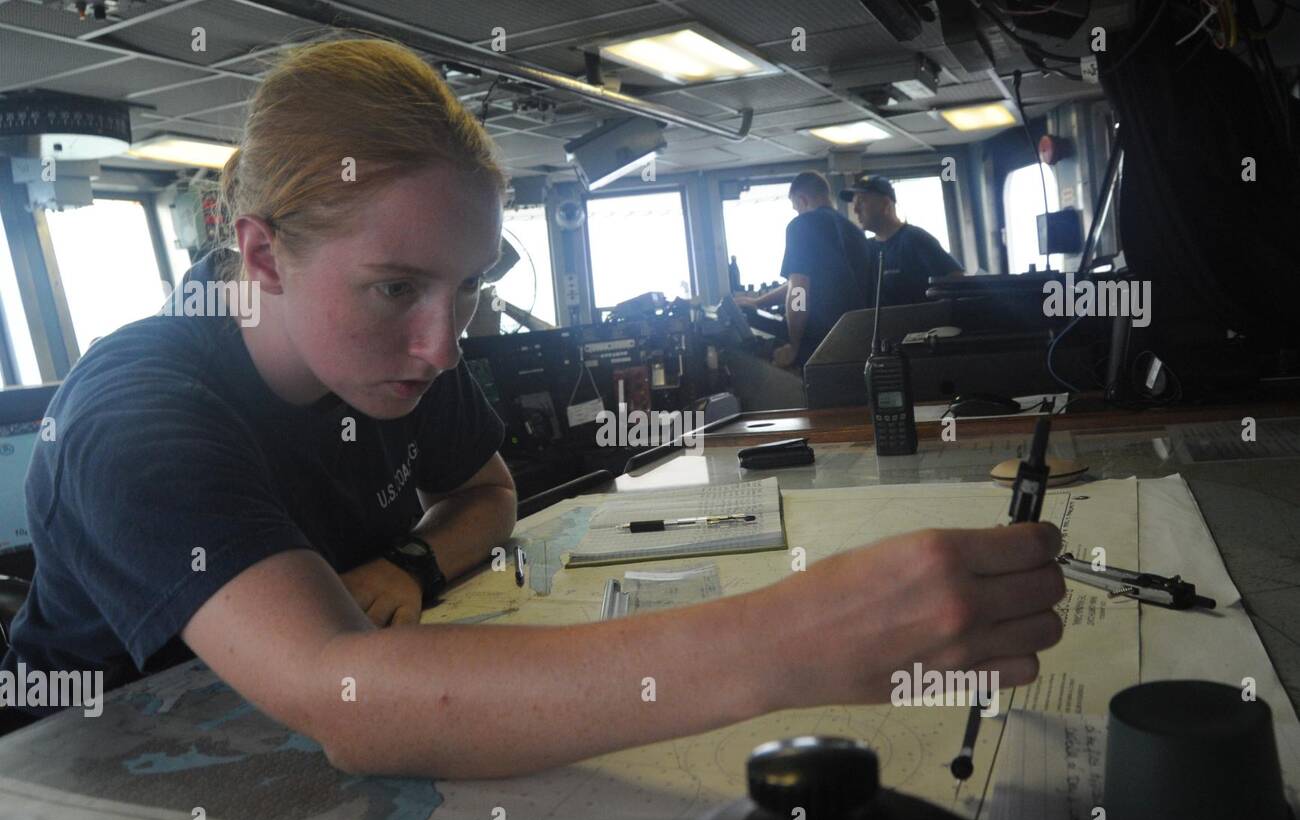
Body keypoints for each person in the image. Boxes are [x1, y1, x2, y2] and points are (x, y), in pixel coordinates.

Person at [0, 38, 1065, 778]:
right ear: (263, 254)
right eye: (397, 286)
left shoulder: (394, 354)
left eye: (466, 289)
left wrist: (410, 564)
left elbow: (487, 487)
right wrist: (797, 636)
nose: (442, 339)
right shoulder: (136, 416)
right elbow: (350, 701)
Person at [734, 171, 873, 369]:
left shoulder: (802, 225)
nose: (797, 213)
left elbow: (799, 290)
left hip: (822, 344)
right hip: (858, 340)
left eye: (796, 208)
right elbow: (801, 282)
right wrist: (759, 302)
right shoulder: (854, 232)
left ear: (802, 200)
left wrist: (794, 344)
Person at [840, 174, 964, 305]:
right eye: (854, 203)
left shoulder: (915, 239)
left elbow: (956, 280)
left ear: (885, 204)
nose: (855, 210)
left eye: (862, 201)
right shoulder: (865, 248)